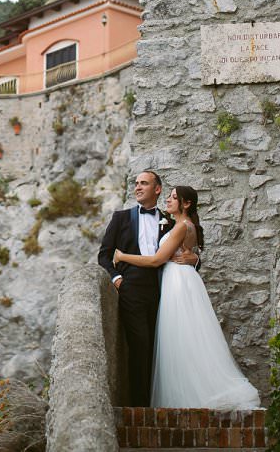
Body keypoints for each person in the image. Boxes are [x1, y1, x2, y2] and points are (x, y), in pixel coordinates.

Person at [114, 185, 260, 410]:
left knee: (179, 337)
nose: (169, 201)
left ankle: (190, 396)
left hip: (178, 283)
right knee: (186, 337)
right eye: (170, 197)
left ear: (186, 203)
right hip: (181, 279)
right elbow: (187, 253)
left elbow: (156, 260)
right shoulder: (181, 225)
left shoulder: (182, 226)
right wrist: (194, 258)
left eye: (174, 198)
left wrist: (123, 256)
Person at [96, 171, 197, 406]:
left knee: (162, 346)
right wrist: (116, 278)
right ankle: (141, 406)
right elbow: (104, 255)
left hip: (165, 290)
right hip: (131, 289)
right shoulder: (121, 218)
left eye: (144, 183)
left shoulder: (170, 220)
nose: (138, 187)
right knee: (140, 344)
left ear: (157, 189)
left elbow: (187, 249)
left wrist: (195, 260)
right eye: (136, 183)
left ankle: (165, 401)